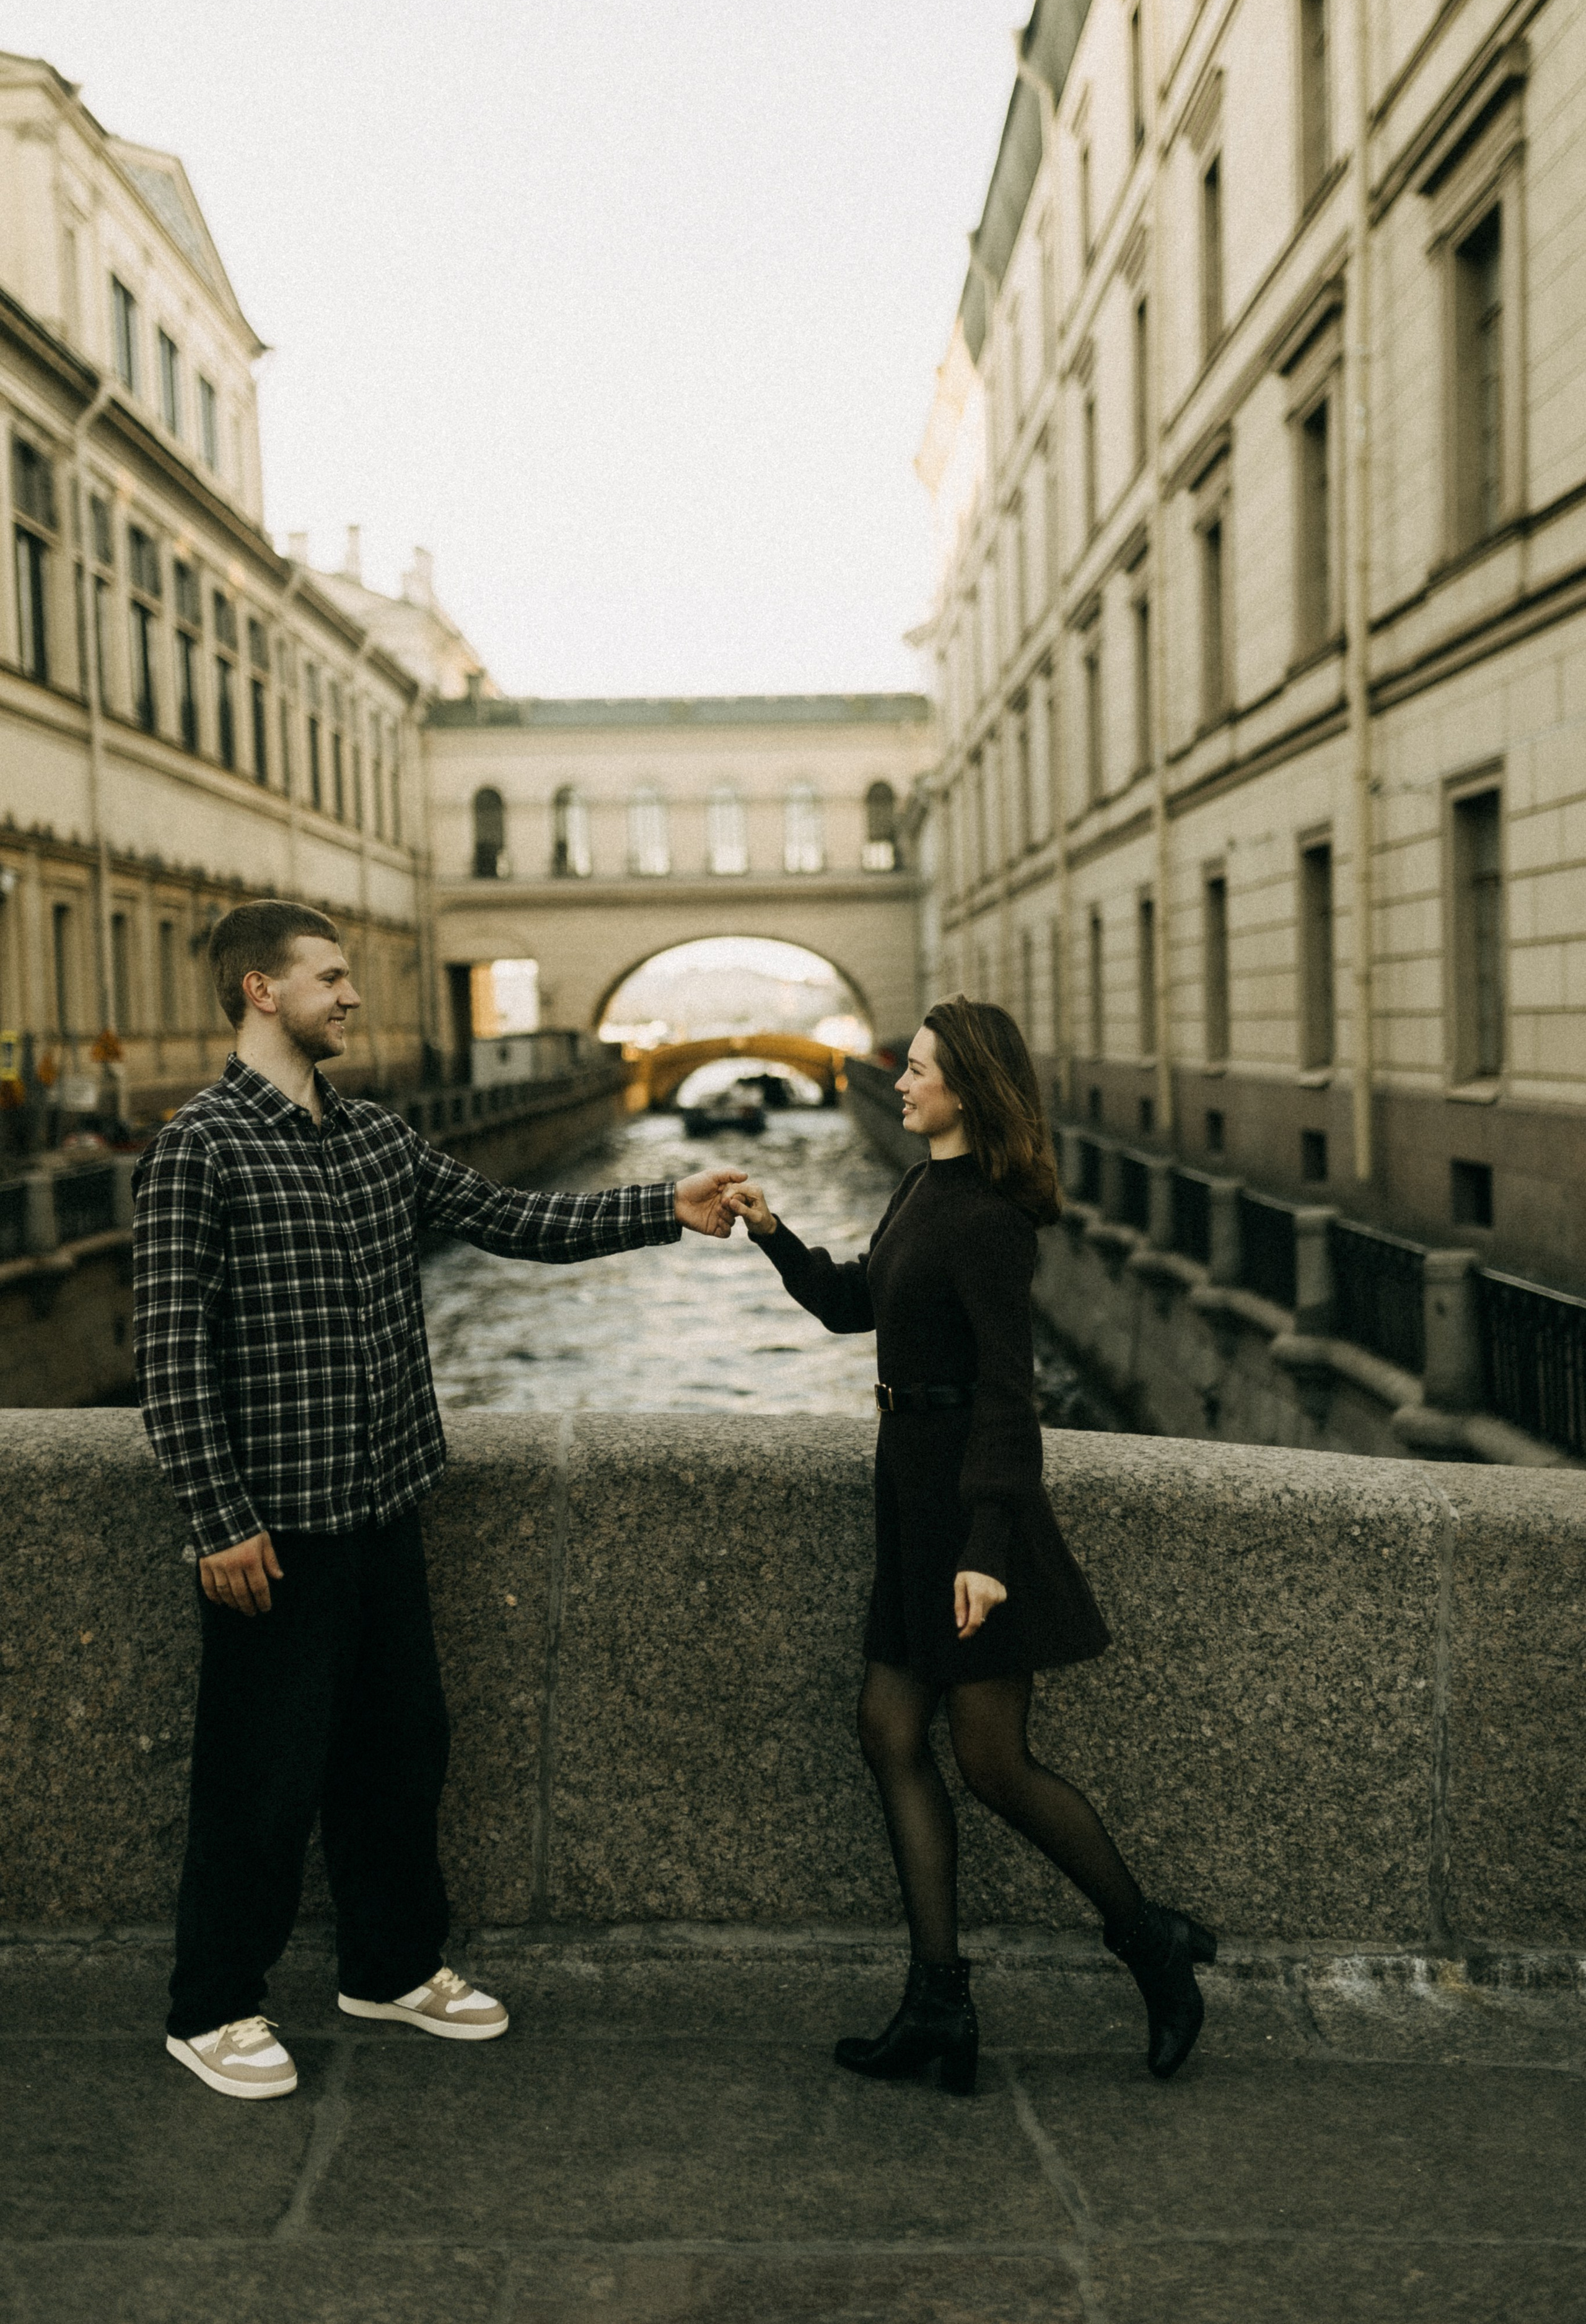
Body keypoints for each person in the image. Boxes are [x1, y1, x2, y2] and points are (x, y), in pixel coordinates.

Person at [133, 899, 744, 2102]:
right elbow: (169, 1352)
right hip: (276, 1528)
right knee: (260, 1776)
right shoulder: (198, 1147)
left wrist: (662, 1208)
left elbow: (510, 1220)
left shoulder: (373, 1138)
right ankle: (211, 2007)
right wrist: (218, 1520)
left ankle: (393, 1966)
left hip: (385, 1505)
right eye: (330, 978)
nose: (351, 996)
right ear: (262, 991)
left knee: (399, 1753)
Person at [727, 997, 1216, 2092]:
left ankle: (1153, 1943)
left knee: (993, 1760)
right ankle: (938, 2005)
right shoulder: (919, 1188)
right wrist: (773, 1233)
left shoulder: (991, 1218)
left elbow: (1009, 1394)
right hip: (912, 1497)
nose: (898, 1082)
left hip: (968, 1514)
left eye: (917, 1069)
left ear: (970, 1088)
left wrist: (988, 1546)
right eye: (903, 1068)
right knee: (887, 1729)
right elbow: (860, 1308)